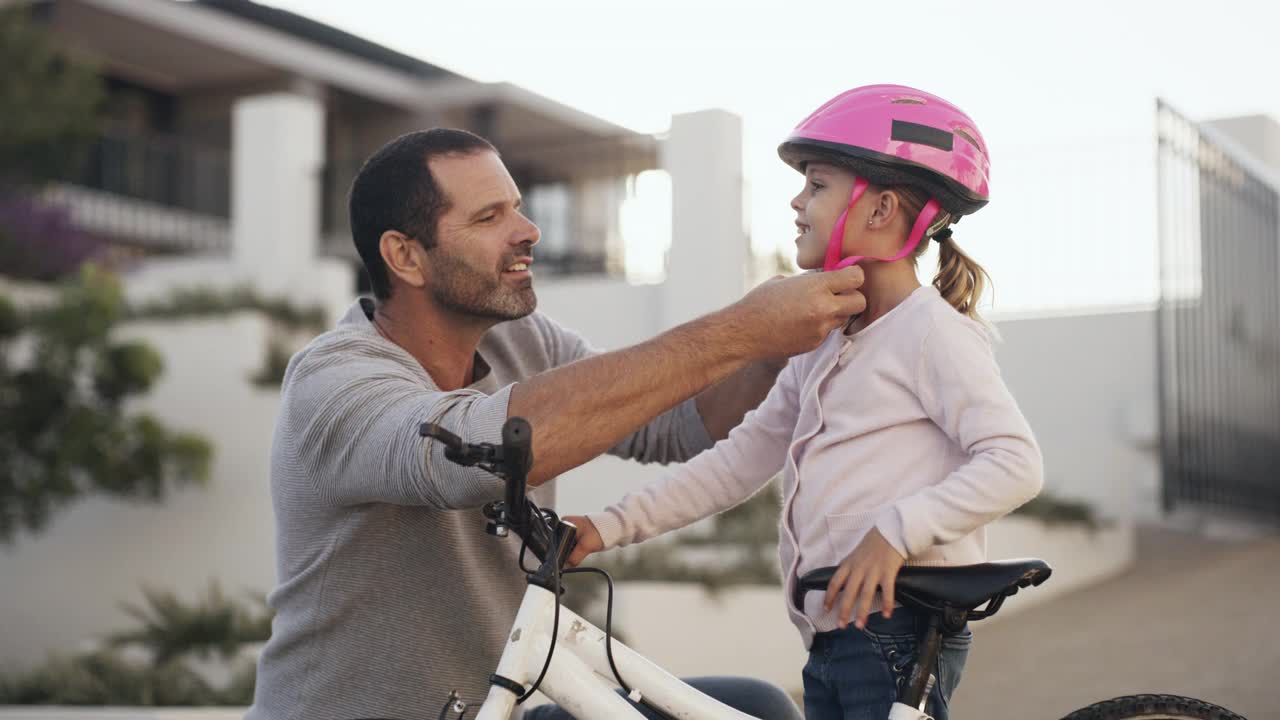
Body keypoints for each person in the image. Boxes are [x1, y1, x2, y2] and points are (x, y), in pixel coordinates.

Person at [246, 127, 867, 719]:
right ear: (405, 256)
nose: (528, 230)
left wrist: (780, 341)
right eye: (489, 218)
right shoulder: (333, 382)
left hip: (497, 710)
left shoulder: (523, 340)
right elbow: (474, 452)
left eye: (516, 207)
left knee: (752, 708)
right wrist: (741, 329)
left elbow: (680, 425)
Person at [565, 84, 1045, 720]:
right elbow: (737, 461)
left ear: (880, 210)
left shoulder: (931, 333)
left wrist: (894, 534)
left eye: (816, 185)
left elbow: (1015, 462)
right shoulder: (822, 344)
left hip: (896, 629)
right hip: (837, 631)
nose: (796, 201)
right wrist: (604, 528)